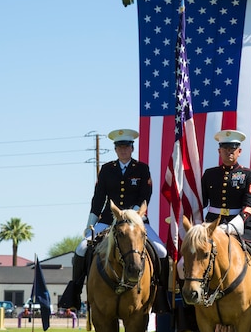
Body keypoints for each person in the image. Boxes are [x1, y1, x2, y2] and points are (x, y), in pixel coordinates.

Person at [60, 128, 169, 313]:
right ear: (116, 149)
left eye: (126, 147)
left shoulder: (142, 169)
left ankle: (161, 294)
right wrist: (90, 224)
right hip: (108, 220)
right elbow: (98, 198)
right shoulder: (107, 169)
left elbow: (145, 196)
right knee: (81, 248)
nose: (123, 150)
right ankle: (75, 291)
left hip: (136, 220)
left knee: (161, 252)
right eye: (120, 147)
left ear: (132, 148)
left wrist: (130, 216)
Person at [197, 130, 251, 332]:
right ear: (219, 151)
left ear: (239, 151)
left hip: (242, 227)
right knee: (184, 264)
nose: (229, 152)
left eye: (233, 149)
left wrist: (235, 224)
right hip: (212, 226)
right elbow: (200, 202)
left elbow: (250, 205)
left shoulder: (248, 174)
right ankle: (189, 311)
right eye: (225, 149)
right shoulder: (209, 174)